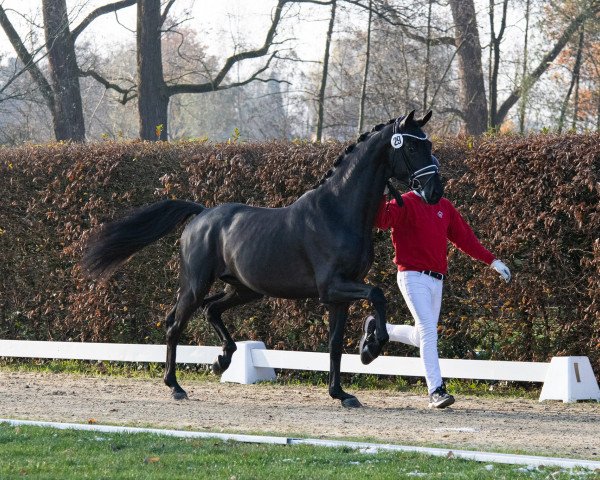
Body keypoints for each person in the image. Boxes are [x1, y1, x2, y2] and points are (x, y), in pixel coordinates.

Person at [360, 172, 511, 409]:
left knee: (423, 336)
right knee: (430, 333)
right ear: (418, 181)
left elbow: (465, 239)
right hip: (411, 276)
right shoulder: (406, 202)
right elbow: (382, 220)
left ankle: (380, 329)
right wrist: (382, 195)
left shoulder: (444, 206)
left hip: (436, 280)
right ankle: (436, 390)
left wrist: (492, 261)